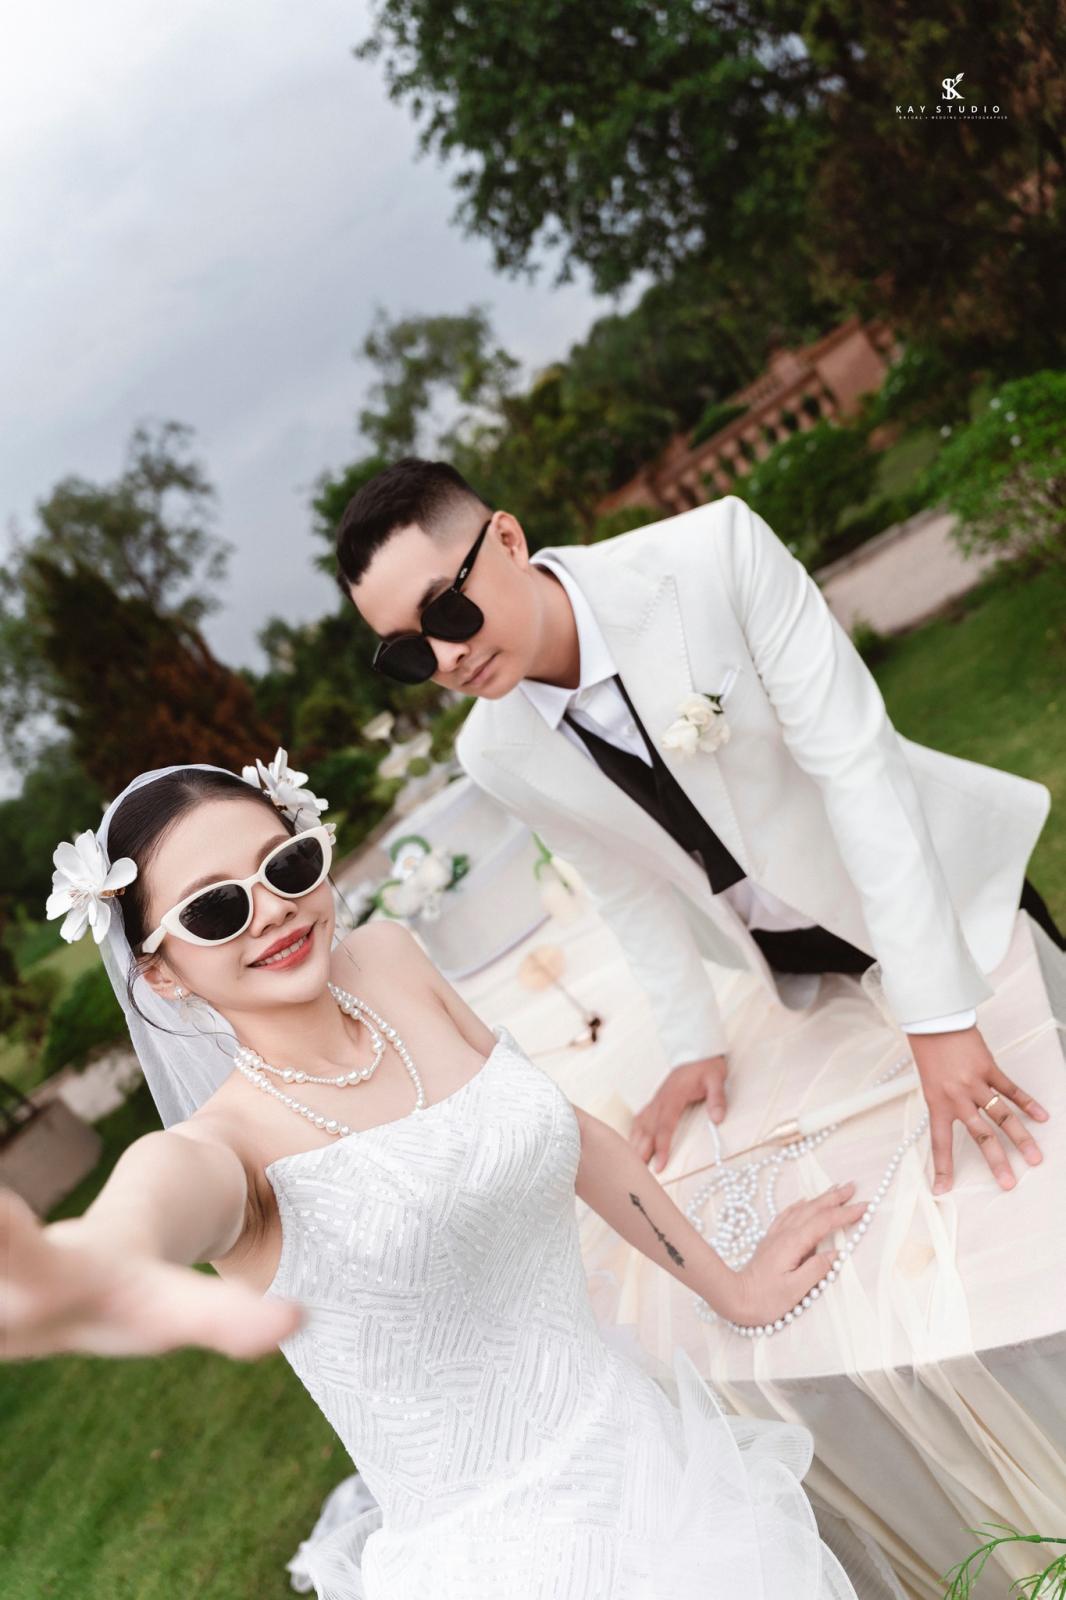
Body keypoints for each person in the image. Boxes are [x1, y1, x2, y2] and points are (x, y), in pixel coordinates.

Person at [2, 758, 865, 1600]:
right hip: (503, 1568)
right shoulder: (227, 1147)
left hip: (651, 1459)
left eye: (285, 865)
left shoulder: (391, 961)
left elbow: (568, 1134)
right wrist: (97, 1258)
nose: (273, 909)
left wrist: (734, 1288)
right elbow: (159, 1191)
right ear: (160, 972)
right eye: (216, 909)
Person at [336, 459, 1061, 1187]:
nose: (447, 657)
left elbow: (859, 771)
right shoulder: (492, 752)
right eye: (409, 652)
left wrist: (937, 1013)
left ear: (508, 540)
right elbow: (625, 889)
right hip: (797, 966)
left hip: (947, 906)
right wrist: (692, 1043)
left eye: (446, 610)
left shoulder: (715, 554)